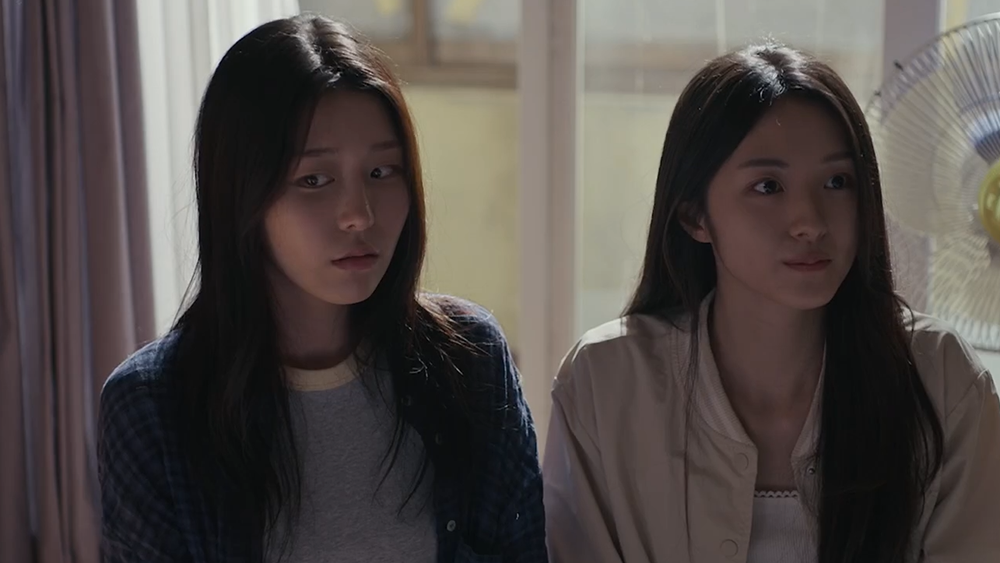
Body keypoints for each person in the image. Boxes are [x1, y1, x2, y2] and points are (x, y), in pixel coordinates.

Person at [98, 14, 546, 563]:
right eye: (314, 180)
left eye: (382, 172)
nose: (359, 214)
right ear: (240, 196)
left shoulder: (470, 361)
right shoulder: (152, 406)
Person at [543, 43, 1000, 563]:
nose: (810, 221)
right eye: (768, 186)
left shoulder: (941, 381)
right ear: (694, 216)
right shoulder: (606, 382)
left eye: (837, 182)